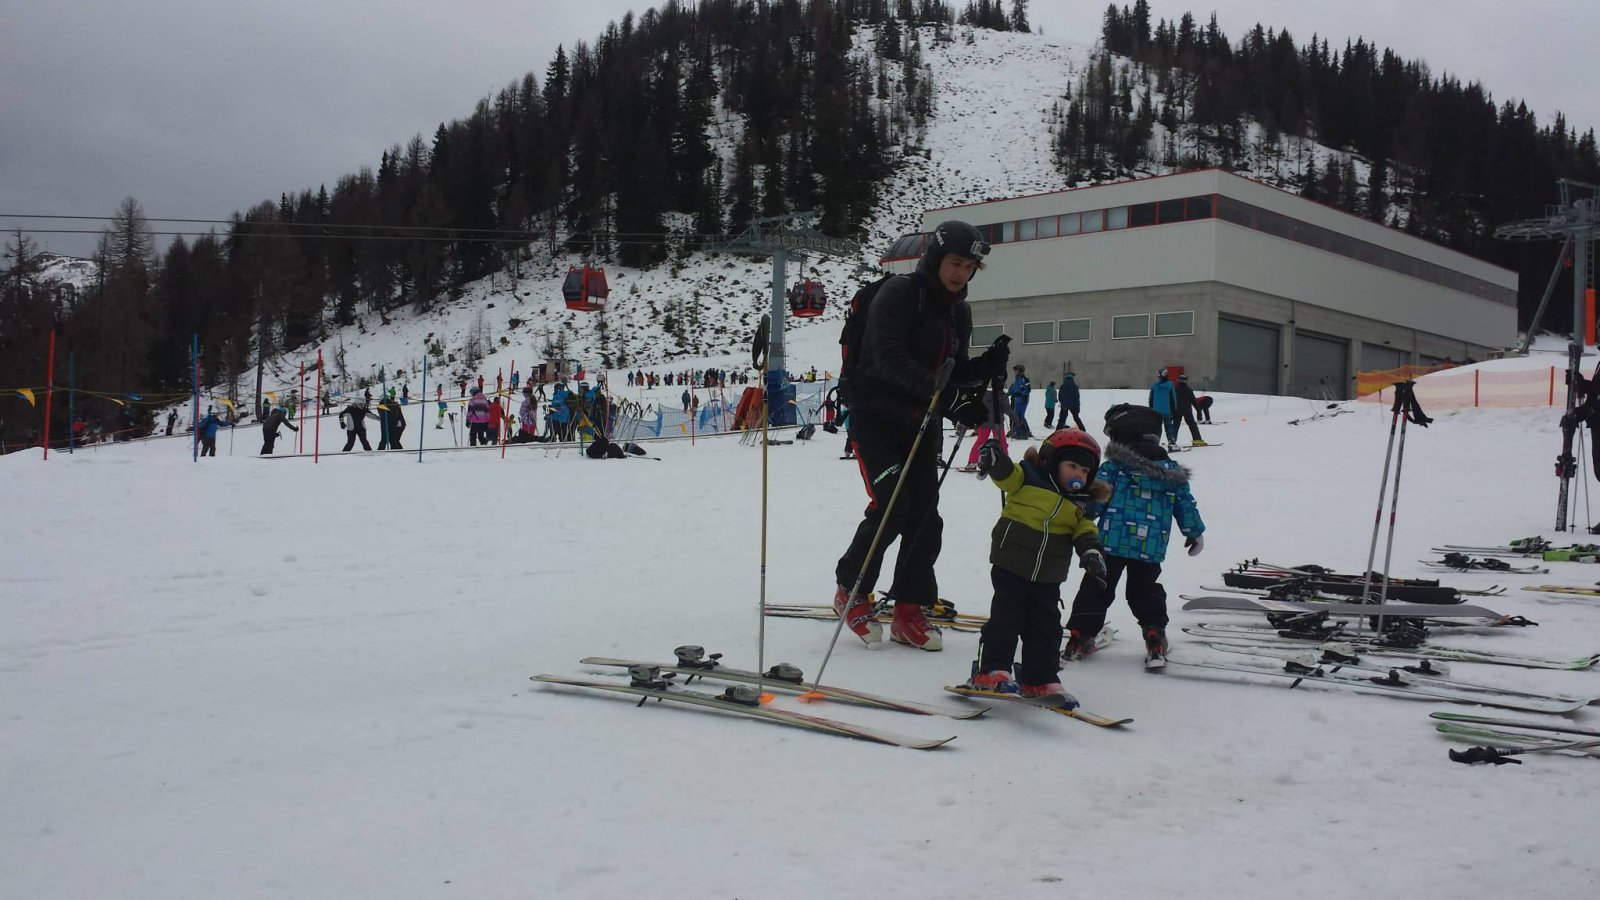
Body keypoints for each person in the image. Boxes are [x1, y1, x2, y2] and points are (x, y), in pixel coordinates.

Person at [832, 219, 1010, 651]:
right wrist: (947, 396)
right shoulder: (900, 294)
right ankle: (850, 591)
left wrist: (982, 369)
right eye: (955, 263)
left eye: (970, 267)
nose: (961, 274)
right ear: (935, 259)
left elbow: (950, 370)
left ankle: (910, 607)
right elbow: (886, 358)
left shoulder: (957, 311)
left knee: (926, 518)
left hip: (920, 422)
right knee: (893, 505)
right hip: (876, 416)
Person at [966, 429, 1109, 705]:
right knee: (1006, 619)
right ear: (1051, 461)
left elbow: (1086, 532)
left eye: (1084, 470)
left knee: (1046, 628)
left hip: (1048, 575)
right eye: (1071, 466)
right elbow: (1007, 476)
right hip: (1011, 563)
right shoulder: (1028, 477)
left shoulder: (1082, 506)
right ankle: (990, 670)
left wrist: (1091, 553)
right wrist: (996, 457)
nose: (1078, 474)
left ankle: (1039, 678)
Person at [1064, 403, 1206, 668]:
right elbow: (1185, 504)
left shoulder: (1113, 468)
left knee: (1096, 587)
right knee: (1144, 591)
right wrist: (1194, 532)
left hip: (1111, 543)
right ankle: (1154, 635)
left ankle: (1080, 636)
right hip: (1149, 548)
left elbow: (1096, 500)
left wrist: (1075, 521)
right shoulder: (1172, 473)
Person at [960, 384, 1010, 473]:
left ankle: (972, 462)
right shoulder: (1002, 396)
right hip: (997, 423)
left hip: (984, 422)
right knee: (1002, 443)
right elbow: (1008, 410)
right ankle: (1005, 462)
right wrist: (1018, 421)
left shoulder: (985, 395)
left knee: (980, 442)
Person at [1147, 369, 1179, 449]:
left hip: (1156, 412)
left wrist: (1151, 410)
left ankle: (1154, 444)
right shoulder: (1170, 385)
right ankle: (1171, 443)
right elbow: (1173, 399)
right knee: (1168, 427)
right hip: (1167, 411)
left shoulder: (1154, 386)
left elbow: (1150, 399)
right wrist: (1174, 410)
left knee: (1157, 428)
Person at [1174, 374, 1206, 446]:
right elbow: (1194, 401)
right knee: (1192, 425)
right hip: (1187, 410)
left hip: (1177, 411)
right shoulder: (1188, 390)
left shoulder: (1175, 390)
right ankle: (1197, 439)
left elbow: (1171, 401)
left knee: (1175, 425)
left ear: (1178, 380)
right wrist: (1198, 411)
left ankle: (1172, 440)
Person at [1006, 365, 1032, 438]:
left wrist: (1021, 394)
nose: (1015, 372)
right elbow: (1013, 390)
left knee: (1021, 416)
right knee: (1016, 416)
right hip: (1017, 400)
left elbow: (1028, 389)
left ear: (1020, 371)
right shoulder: (1016, 380)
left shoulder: (1025, 379)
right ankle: (1017, 431)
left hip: (1023, 400)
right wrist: (1005, 395)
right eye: (1014, 370)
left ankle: (1026, 431)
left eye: (1016, 370)